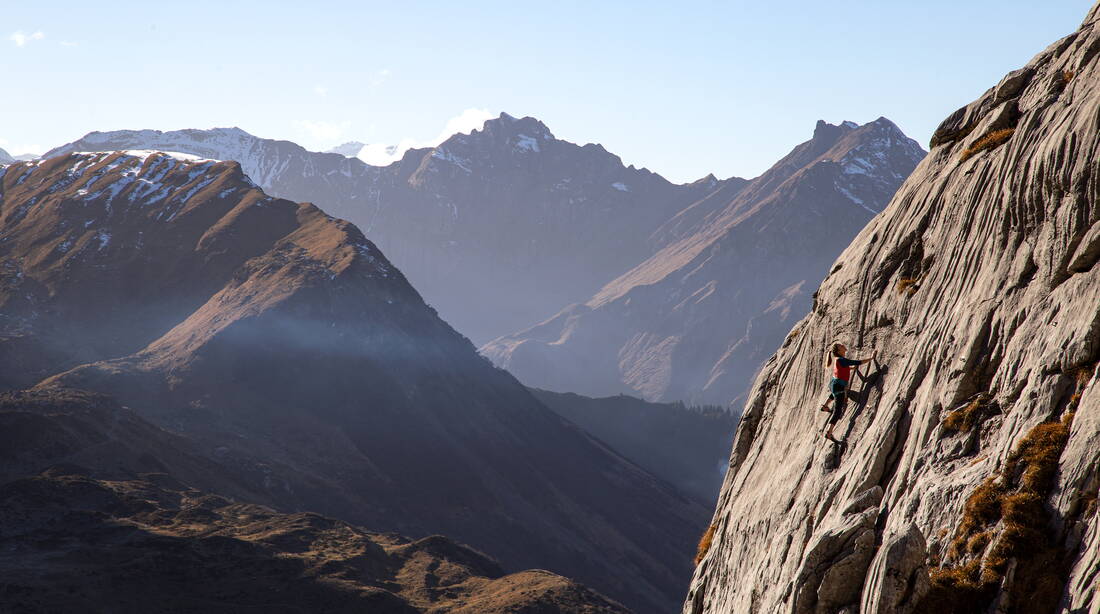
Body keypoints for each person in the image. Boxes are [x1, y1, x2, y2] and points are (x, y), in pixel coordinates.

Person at [818, 343, 875, 441]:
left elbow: (840, 369)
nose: (843, 345)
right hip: (839, 386)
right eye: (841, 346)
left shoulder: (838, 360)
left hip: (834, 384)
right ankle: (829, 432)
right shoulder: (842, 360)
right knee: (837, 411)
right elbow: (858, 362)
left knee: (835, 394)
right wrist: (871, 358)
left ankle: (825, 406)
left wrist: (851, 368)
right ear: (839, 350)